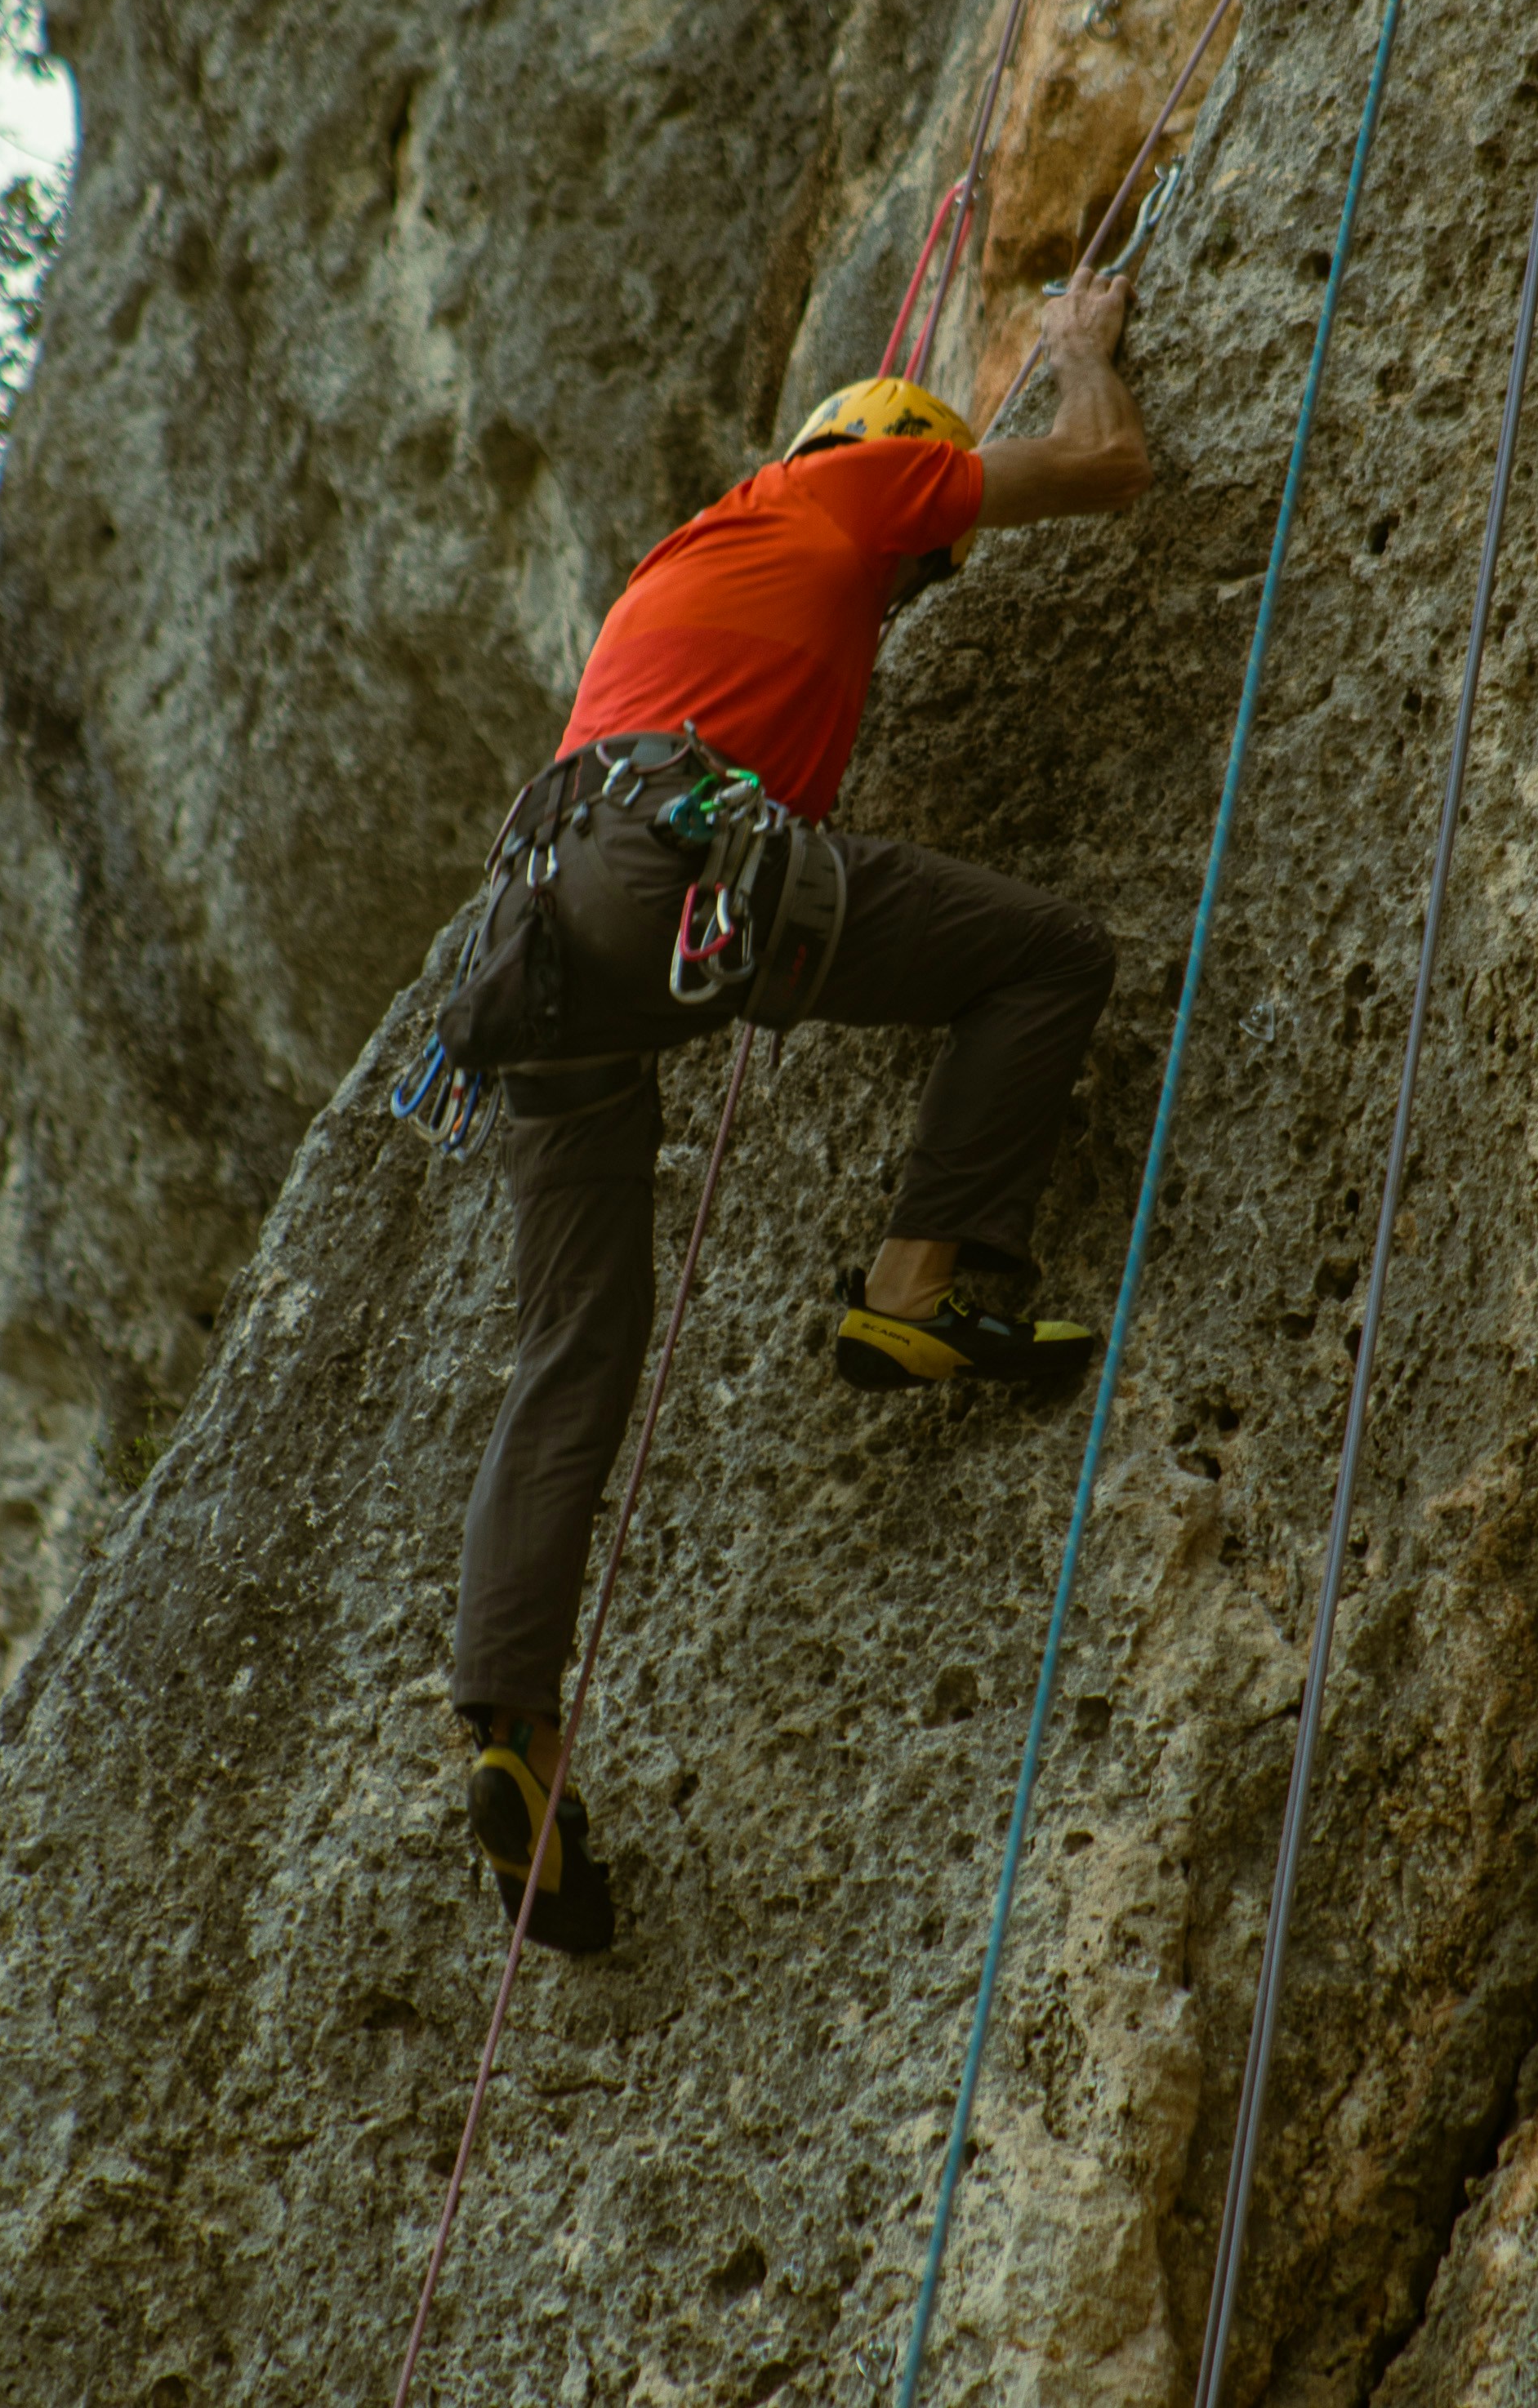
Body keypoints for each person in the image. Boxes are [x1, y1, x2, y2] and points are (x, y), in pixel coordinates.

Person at [452, 274, 1151, 1950]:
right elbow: (1104, 468)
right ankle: (922, 1285)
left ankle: (510, 1724)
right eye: (925, 569)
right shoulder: (843, 480)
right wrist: (1074, 353)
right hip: (666, 869)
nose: (909, 594)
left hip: (535, 933)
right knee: (1050, 956)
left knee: (574, 1350)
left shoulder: (691, 566)